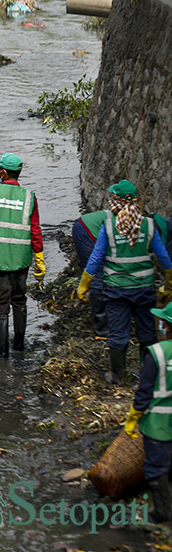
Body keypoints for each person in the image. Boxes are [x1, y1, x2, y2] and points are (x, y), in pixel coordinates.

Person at [76, 180, 172, 383]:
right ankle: (149, 375)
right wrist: (168, 282)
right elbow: (163, 257)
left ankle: (117, 375)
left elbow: (96, 257)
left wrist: (84, 284)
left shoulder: (109, 226)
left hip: (116, 290)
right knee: (147, 332)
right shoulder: (148, 224)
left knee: (118, 332)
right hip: (144, 288)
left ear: (115, 201)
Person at [0, 153, 45, 358]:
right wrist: (39, 259)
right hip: (21, 258)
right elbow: (35, 230)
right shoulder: (30, 197)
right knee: (20, 301)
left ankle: (3, 354)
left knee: (0, 306)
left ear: (3, 172)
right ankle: (19, 347)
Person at [123, 302, 172, 523]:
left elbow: (144, 392)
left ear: (167, 326)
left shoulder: (158, 353)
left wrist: (133, 419)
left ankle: (162, 513)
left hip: (160, 422)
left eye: (162, 321)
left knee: (156, 467)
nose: (159, 324)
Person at [72, 209, 111, 339]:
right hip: (85, 230)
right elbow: (95, 258)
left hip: (92, 228)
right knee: (98, 273)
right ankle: (101, 329)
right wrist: (84, 283)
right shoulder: (128, 225)